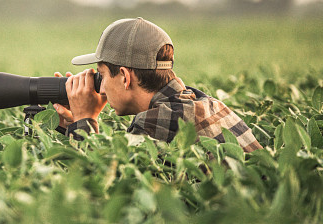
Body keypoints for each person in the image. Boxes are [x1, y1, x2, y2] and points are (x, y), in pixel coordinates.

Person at [53, 17, 262, 153]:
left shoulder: (154, 124)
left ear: (125, 77)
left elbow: (105, 191)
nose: (102, 88)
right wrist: (75, 124)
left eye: (102, 76)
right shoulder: (211, 105)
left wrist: (84, 120)